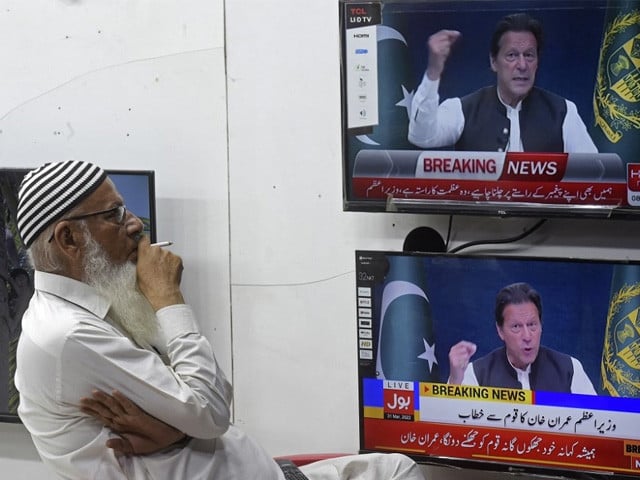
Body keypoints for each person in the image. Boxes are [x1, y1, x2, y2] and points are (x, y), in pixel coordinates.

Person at [14, 160, 426, 480]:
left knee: (396, 468)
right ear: (68, 239)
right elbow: (211, 412)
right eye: (115, 215)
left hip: (261, 470)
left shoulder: (93, 308)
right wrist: (169, 299)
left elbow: (208, 400)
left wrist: (179, 431)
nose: (136, 225)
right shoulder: (68, 336)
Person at [408, 12, 598, 153]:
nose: (522, 65)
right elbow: (421, 136)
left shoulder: (563, 111)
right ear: (493, 61)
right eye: (512, 55)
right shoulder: (463, 109)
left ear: (537, 62)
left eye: (529, 55)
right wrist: (434, 71)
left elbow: (595, 173)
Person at [447, 282, 596, 394]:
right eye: (516, 327)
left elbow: (595, 422)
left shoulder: (569, 369)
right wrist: (455, 381)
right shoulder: (479, 374)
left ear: (541, 325)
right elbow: (453, 425)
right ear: (500, 331)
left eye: (532, 325)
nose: (527, 336)